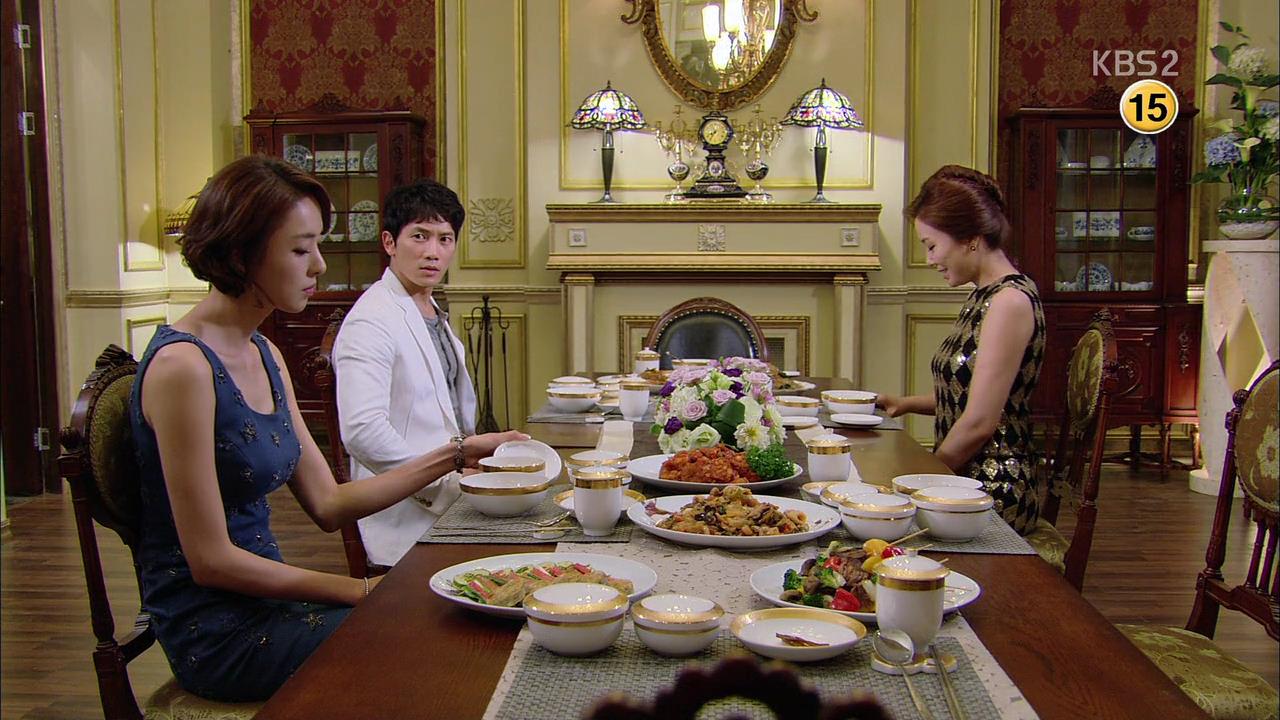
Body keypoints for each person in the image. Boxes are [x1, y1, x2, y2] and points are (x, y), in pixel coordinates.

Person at [130, 156, 524, 702]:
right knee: (437, 636)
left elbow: (329, 504)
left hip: (270, 602)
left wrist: (457, 454)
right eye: (300, 250)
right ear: (240, 252)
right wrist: (361, 589)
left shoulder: (264, 351)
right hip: (220, 634)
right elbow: (211, 560)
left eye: (318, 245)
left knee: (463, 622)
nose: (319, 265)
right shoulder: (183, 368)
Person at [875, 165, 1046, 534]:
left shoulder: (1009, 302)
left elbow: (980, 422)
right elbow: (971, 395)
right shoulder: (985, 295)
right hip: (964, 478)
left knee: (872, 517)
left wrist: (921, 483)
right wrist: (905, 403)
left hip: (992, 487)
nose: (930, 259)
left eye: (932, 246)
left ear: (970, 238)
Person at [332, 179, 478, 567]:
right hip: (408, 515)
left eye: (445, 239)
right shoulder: (371, 320)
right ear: (389, 242)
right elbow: (363, 432)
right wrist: (444, 485)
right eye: (419, 236)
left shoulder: (430, 311)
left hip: (456, 498)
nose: (433, 252)